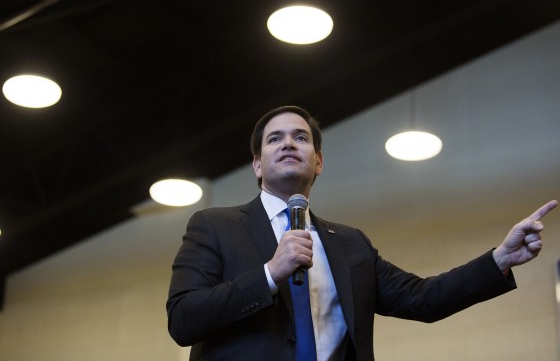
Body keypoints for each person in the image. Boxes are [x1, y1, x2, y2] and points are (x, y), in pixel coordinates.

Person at [166, 105, 557, 361]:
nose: (289, 142)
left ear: (318, 163)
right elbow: (183, 319)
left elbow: (423, 298)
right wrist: (269, 274)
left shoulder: (350, 244)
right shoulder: (214, 225)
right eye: (275, 138)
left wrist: (500, 260)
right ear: (257, 165)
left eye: (301, 137)